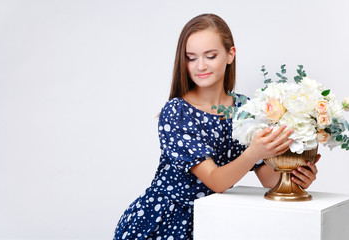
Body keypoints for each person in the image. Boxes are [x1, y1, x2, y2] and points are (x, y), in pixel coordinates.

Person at [113, 13, 319, 240]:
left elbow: (269, 180)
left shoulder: (245, 108)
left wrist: (294, 175)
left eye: (210, 56)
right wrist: (254, 152)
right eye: (191, 58)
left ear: (230, 55)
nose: (200, 65)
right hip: (166, 221)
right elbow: (216, 180)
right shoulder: (177, 111)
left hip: (215, 219)